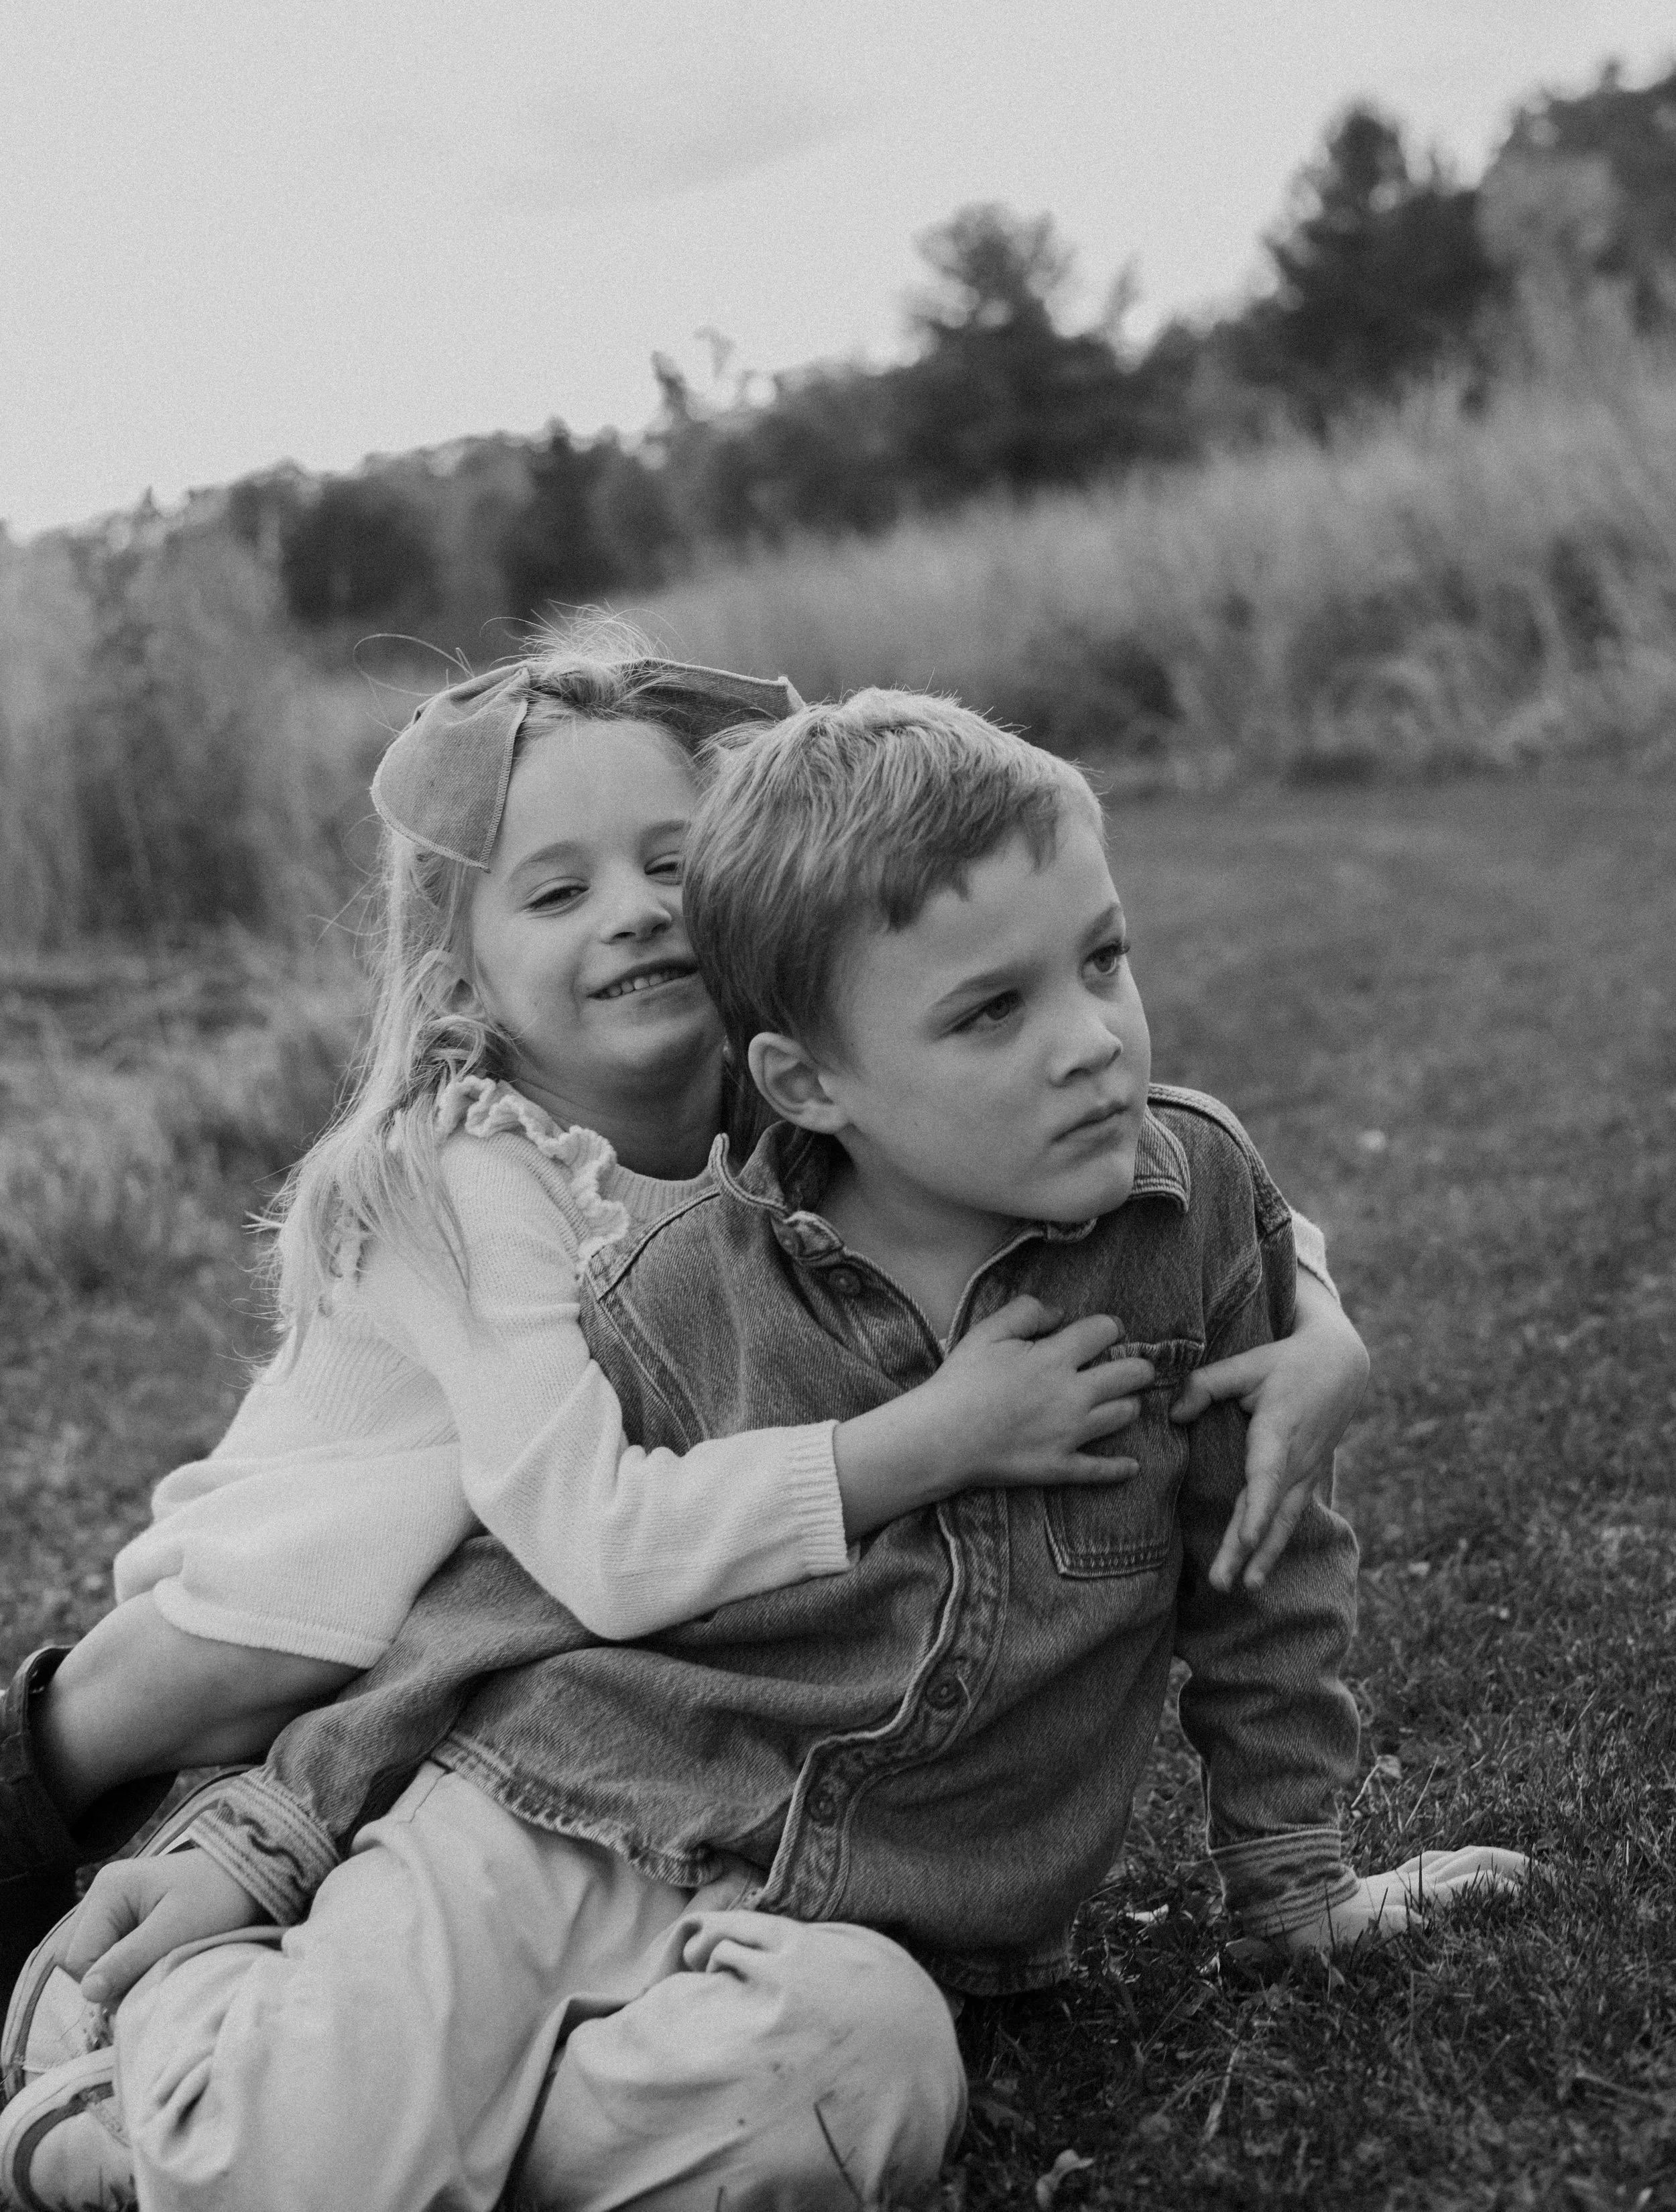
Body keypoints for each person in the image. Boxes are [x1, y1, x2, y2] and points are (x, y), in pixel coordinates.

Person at [1, 687, 1518, 2212]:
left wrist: (1294, 1871)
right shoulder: (630, 1257)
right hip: (522, 1780)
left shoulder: (1119, 1186)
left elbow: (1261, 1557)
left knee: (863, 2080)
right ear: (808, 1078)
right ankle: (137, 2050)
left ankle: (379, 2120)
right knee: (299, 2172)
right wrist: (271, 1834)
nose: (1089, 1046)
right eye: (992, 1012)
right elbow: (519, 1584)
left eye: (1105, 962)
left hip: (827, 1910)